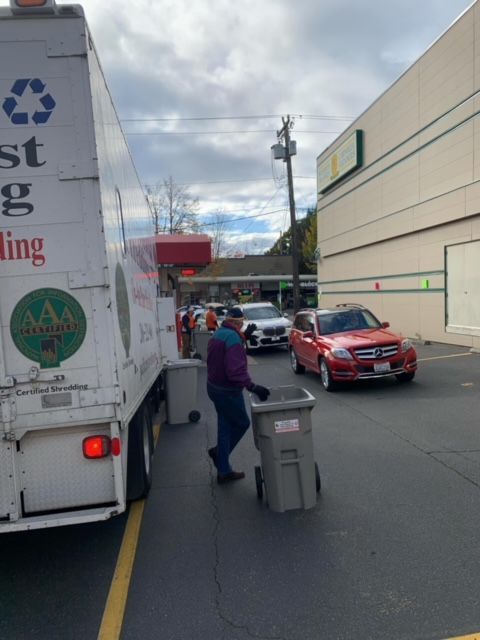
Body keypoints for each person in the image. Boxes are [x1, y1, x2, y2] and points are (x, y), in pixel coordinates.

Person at [206, 307, 270, 484]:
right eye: (241, 323)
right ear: (237, 322)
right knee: (242, 423)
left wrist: (245, 337)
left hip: (214, 387)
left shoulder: (220, 333)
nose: (243, 325)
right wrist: (253, 387)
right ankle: (220, 454)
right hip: (227, 392)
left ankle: (224, 470)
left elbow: (223, 355)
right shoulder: (233, 338)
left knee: (225, 426)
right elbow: (235, 370)